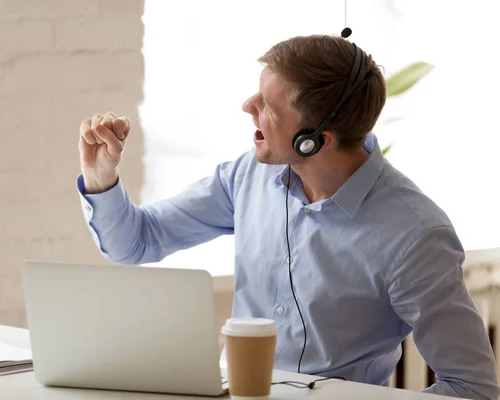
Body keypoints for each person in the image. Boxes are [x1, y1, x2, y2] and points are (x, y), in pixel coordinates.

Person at [75, 33, 499, 400]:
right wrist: (101, 176)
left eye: (267, 106)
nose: (247, 105)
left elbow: (472, 387)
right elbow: (135, 243)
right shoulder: (248, 176)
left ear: (317, 140)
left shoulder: (414, 234)